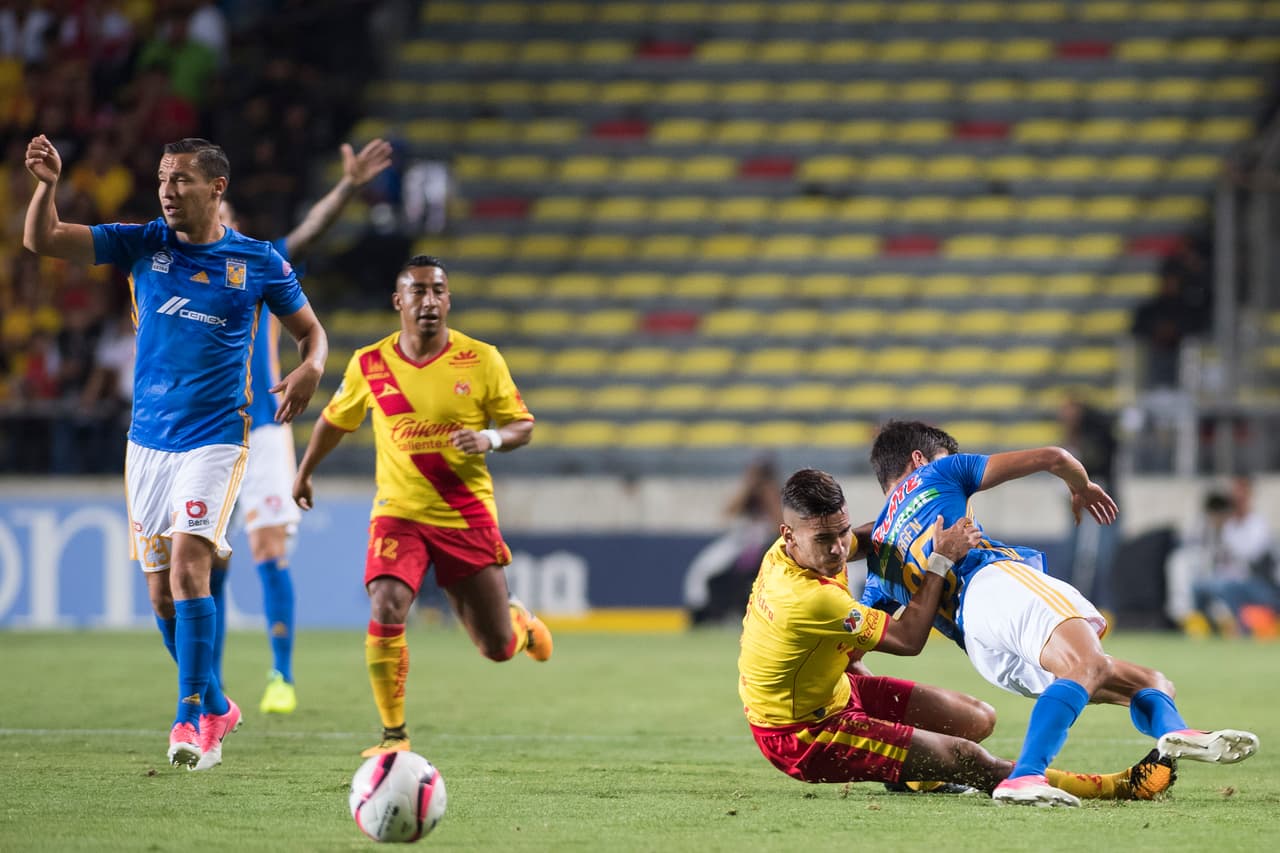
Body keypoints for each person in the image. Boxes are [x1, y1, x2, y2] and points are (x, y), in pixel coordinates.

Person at [23, 134, 328, 770]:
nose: (167, 189)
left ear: (216, 188)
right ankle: (217, 701)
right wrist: (48, 187)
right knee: (161, 597)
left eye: (181, 179)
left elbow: (311, 332)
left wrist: (312, 368)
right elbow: (43, 240)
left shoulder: (259, 261)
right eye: (163, 178)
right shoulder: (143, 243)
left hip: (217, 438)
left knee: (192, 568)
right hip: (148, 443)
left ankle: (189, 720)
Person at [864, 420, 1259, 806]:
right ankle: (1025, 776)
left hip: (981, 647)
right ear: (920, 459)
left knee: (1150, 681)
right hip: (994, 587)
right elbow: (1054, 457)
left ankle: (1177, 731)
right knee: (1089, 664)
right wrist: (1081, 486)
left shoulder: (879, 556)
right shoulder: (937, 472)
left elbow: (865, 642)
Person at [738, 468, 1175, 805]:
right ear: (789, 534)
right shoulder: (807, 598)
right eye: (825, 540)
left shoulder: (792, 553)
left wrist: (913, 520)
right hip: (803, 731)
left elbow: (867, 539)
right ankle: (1108, 787)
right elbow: (909, 640)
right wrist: (939, 558)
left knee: (977, 718)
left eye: (840, 532)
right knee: (967, 759)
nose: (838, 550)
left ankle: (908, 773)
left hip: (836, 689)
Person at [291, 253, 551, 757]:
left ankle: (519, 626)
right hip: (399, 513)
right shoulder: (370, 363)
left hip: (464, 514)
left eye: (438, 291)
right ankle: (394, 736)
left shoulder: (481, 359)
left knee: (495, 649)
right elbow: (334, 421)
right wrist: (303, 472)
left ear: (448, 300)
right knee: (386, 603)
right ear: (398, 301)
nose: (429, 301)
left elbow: (524, 425)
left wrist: (491, 439)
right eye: (418, 291)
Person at [210, 137, 393, 715]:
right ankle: (206, 686)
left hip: (262, 429)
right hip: (202, 432)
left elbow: (309, 232)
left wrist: (347, 187)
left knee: (267, 549)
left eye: (223, 214)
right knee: (206, 560)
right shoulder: (172, 270)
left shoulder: (257, 263)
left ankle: (280, 675)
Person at [684, 455, 782, 625]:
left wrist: (768, 493)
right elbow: (727, 513)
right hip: (740, 542)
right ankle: (700, 610)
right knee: (704, 568)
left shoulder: (775, 493)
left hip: (764, 545)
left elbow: (779, 524)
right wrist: (748, 486)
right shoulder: (748, 494)